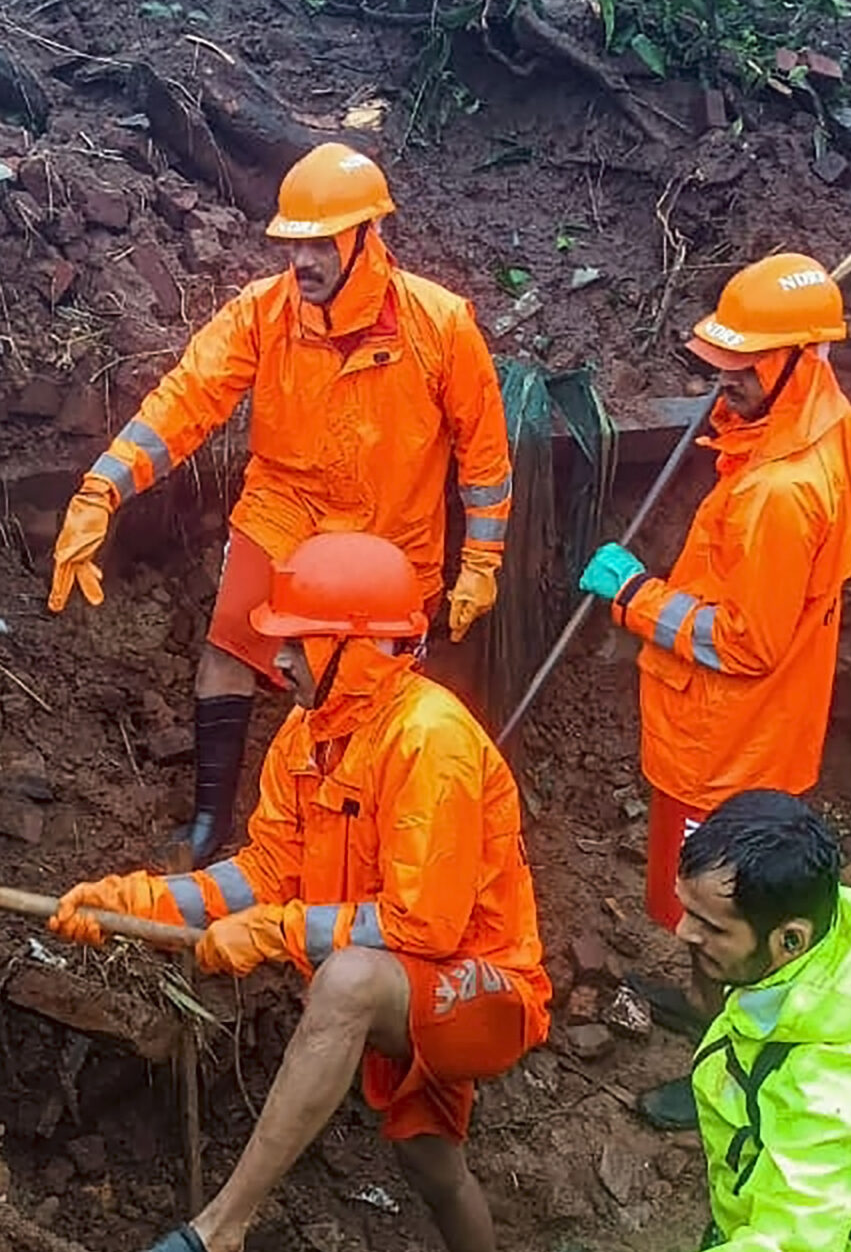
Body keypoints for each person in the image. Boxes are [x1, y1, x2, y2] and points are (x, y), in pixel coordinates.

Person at [46, 531, 550, 1252]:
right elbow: (265, 869)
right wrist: (138, 902)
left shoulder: (431, 740)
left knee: (346, 980)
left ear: (352, 646)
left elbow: (426, 921)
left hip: (484, 990)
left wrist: (277, 933)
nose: (276, 663)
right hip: (407, 985)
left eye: (294, 644)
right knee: (431, 1161)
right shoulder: (309, 734)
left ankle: (221, 1233)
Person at [44, 142, 514, 871]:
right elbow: (185, 401)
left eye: (321, 244)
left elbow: (483, 458)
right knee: (229, 653)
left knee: (375, 698)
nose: (304, 262)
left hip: (389, 544)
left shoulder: (441, 325)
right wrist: (103, 486)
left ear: (367, 238)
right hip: (285, 514)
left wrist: (481, 563)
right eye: (294, 244)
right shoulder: (263, 315)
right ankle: (209, 825)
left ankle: (365, 840)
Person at [438, 790, 851, 1252]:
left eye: (711, 925)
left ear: (791, 940)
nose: (681, 930)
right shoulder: (841, 941)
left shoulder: (835, 1095)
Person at [577, 251, 851, 1129]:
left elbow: (742, 639)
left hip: (728, 740)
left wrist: (635, 598)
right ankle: (710, 1015)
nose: (723, 381)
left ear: (796, 360)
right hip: (748, 732)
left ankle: (730, 1079)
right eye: (720, 365)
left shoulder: (781, 492)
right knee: (712, 908)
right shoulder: (820, 419)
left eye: (742, 368)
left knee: (720, 914)